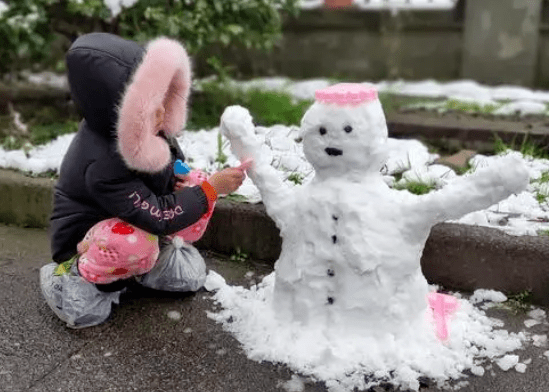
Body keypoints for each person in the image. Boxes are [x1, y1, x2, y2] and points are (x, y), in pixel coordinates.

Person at [40, 32, 246, 328]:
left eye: (164, 98)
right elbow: (160, 215)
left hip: (126, 217)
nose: (163, 111)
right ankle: (87, 277)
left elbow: (163, 176)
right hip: (84, 241)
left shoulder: (138, 131)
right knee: (192, 198)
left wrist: (179, 182)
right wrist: (211, 189)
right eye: (150, 106)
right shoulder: (104, 164)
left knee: (193, 185)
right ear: (120, 111)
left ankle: (140, 261)